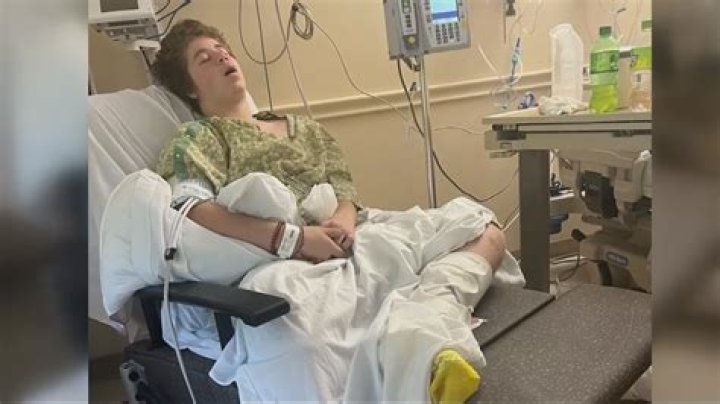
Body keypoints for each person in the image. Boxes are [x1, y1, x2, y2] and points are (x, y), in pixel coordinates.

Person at [151, 19, 509, 402]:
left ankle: (423, 323)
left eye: (223, 50)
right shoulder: (199, 138)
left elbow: (343, 190)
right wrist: (293, 239)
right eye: (204, 58)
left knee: (481, 228)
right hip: (283, 264)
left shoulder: (306, 129)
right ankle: (420, 339)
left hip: (352, 237)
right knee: (302, 338)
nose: (222, 57)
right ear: (189, 87)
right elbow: (190, 208)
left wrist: (343, 221)